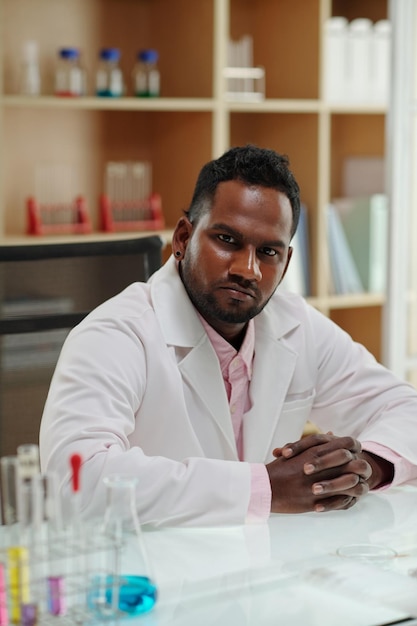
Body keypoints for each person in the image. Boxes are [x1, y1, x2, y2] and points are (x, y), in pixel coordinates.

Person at [39, 145, 417, 527]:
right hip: (148, 570)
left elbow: (407, 410)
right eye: (227, 240)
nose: (247, 269)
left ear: (285, 264)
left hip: (260, 567)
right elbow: (75, 482)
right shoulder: (116, 333)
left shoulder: (296, 324)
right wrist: (264, 488)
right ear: (183, 238)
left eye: (267, 251)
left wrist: (364, 468)